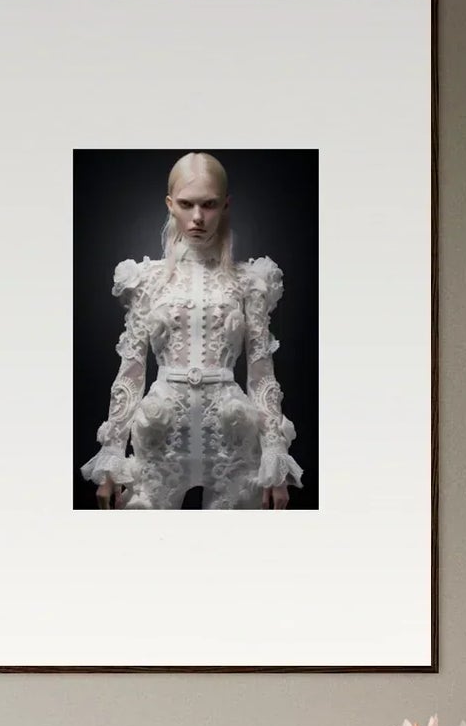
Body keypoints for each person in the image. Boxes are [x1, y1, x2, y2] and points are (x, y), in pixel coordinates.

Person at [80, 152, 304, 511]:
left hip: (232, 435)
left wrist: (275, 459)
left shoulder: (251, 281)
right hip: (159, 433)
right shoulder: (147, 280)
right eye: (186, 204)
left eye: (209, 204)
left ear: (225, 205)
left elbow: (262, 376)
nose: (197, 217)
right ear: (170, 205)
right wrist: (111, 457)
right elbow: (131, 372)